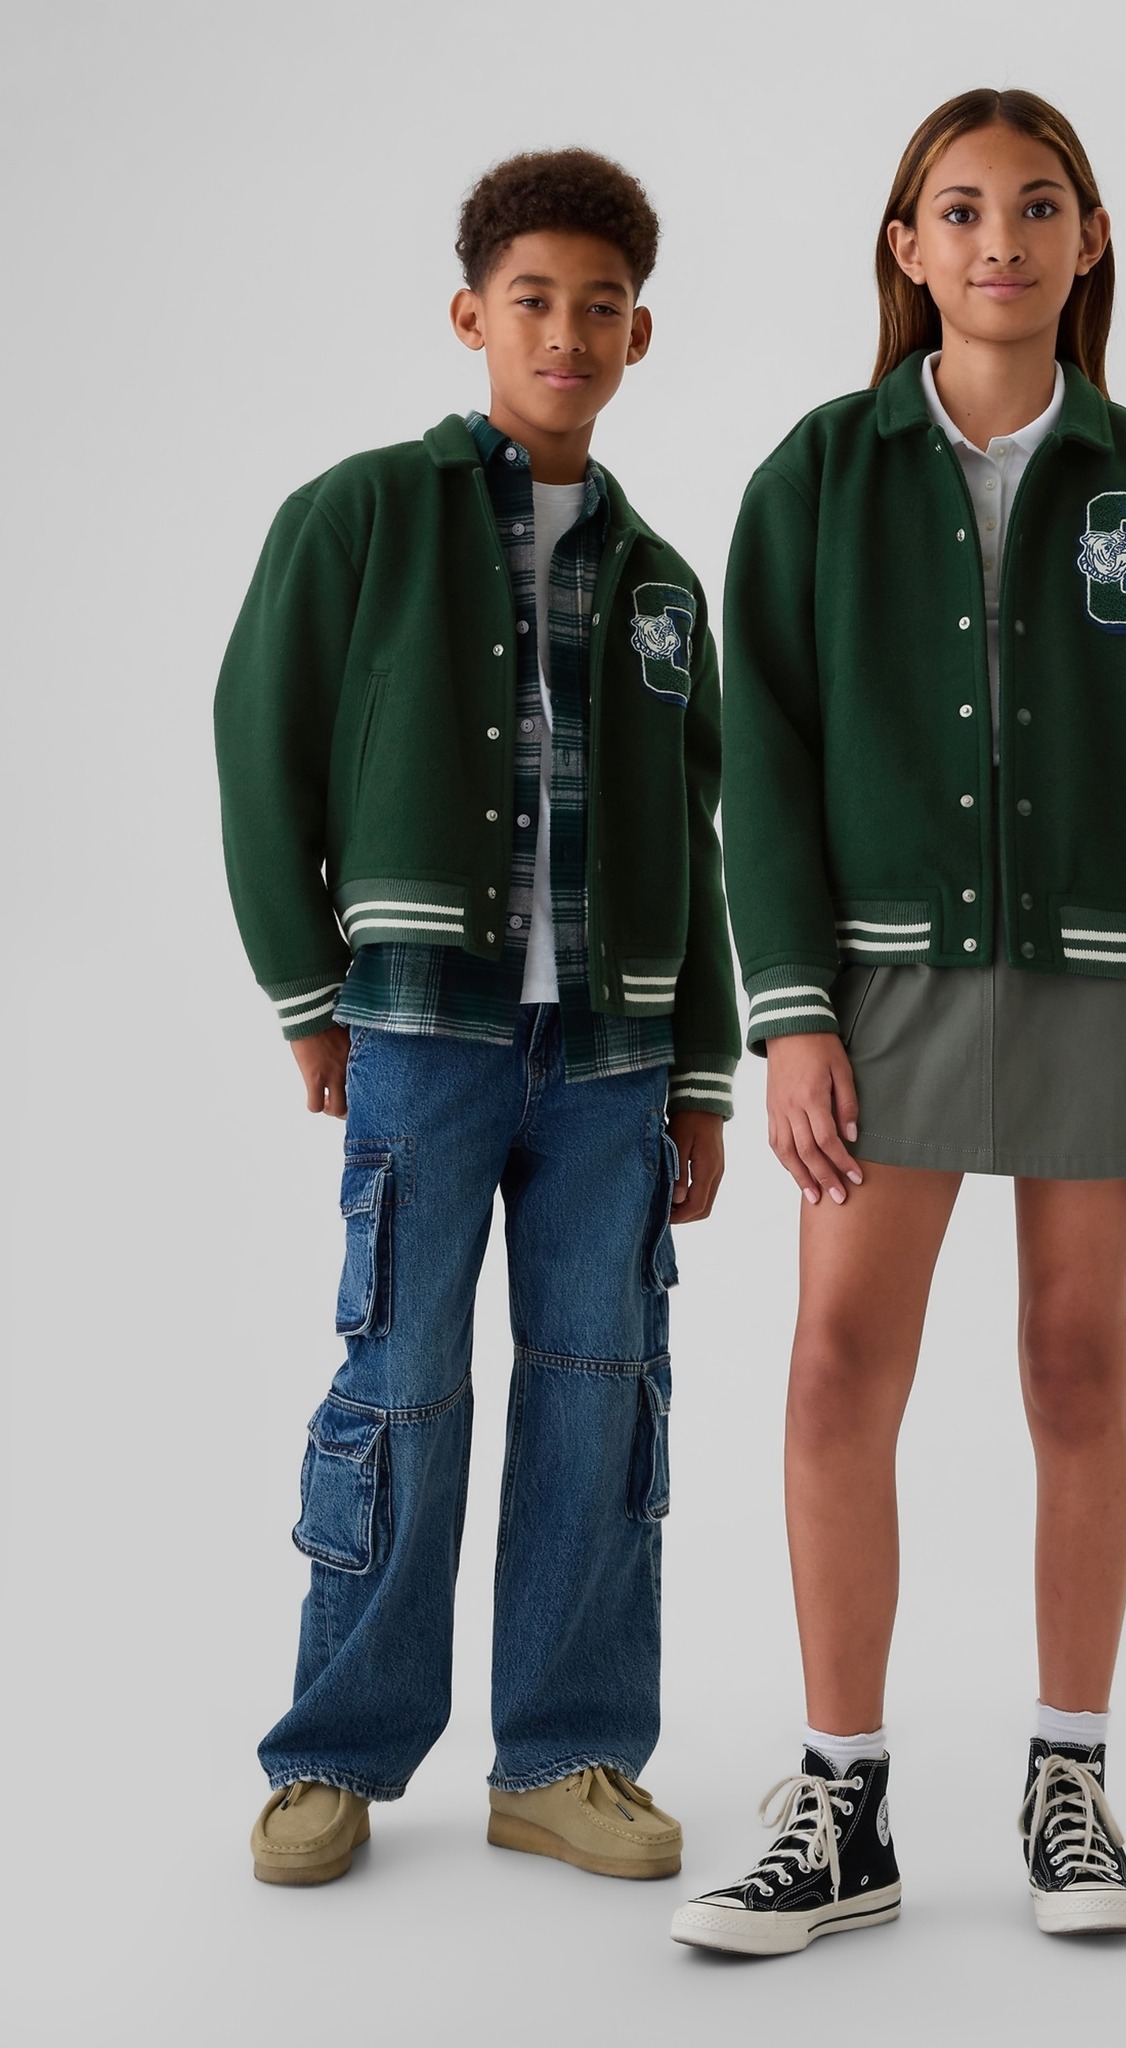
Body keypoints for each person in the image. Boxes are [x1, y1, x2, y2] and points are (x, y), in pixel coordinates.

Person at [672, 88, 1126, 1954]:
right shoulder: (815, 477)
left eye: (1036, 205)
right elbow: (761, 761)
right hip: (880, 985)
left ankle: (1067, 1784)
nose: (999, 238)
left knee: (1077, 1368)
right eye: (959, 208)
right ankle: (841, 1804)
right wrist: (791, 1014)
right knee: (835, 1370)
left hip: (1107, 982)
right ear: (906, 246)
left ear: (1089, 241)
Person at [214, 148, 738, 1887]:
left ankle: (565, 1756)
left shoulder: (661, 581)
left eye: (602, 306)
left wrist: (705, 1076)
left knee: (605, 1391)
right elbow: (259, 747)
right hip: (420, 1037)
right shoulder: (361, 515)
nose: (567, 332)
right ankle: (335, 1755)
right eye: (534, 301)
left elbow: (700, 836)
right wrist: (310, 993)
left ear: (640, 333)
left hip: (613, 1063)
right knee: (401, 1380)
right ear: (471, 315)